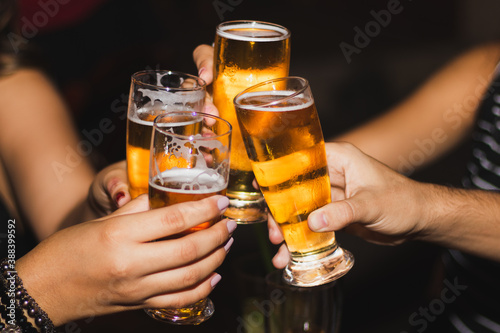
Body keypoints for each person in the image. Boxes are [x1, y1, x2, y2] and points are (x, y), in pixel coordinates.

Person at [192, 42, 500, 332]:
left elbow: (409, 202)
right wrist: (224, 146)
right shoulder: (487, 66)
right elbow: (322, 163)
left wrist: (423, 210)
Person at [0, 1, 235, 331]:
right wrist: (40, 288)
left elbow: (62, 221)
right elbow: (59, 267)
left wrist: (101, 205)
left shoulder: (11, 83)